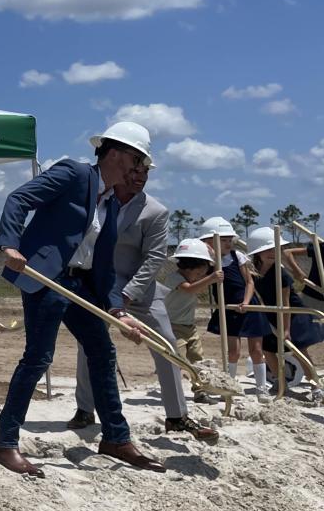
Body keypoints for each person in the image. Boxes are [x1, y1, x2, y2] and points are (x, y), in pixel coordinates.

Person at [0, 122, 161, 478]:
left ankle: (116, 438)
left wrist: (117, 311)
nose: (138, 168)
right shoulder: (74, 173)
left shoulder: (112, 203)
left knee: (103, 352)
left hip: (81, 285)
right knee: (38, 358)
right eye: (135, 158)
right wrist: (10, 244)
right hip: (47, 279)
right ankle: (5, 444)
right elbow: (19, 199)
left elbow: (103, 266)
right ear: (113, 153)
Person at [69, 166, 217, 443]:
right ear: (119, 170)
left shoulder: (155, 211)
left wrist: (126, 296)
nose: (138, 178)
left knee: (167, 344)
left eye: (144, 175)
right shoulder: (98, 200)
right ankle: (85, 409)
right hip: (97, 285)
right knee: (88, 345)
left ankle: (176, 416)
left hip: (140, 291)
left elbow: (154, 259)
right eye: (133, 172)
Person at [248, 226, 324, 388]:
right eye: (267, 250)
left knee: (298, 349)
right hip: (270, 315)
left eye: (275, 249)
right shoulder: (252, 271)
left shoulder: (280, 273)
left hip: (292, 315)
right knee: (268, 349)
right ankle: (279, 381)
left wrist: (286, 329)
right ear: (257, 252)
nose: (271, 253)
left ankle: (315, 385)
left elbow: (285, 303)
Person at [202, 218, 269, 391]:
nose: (227, 244)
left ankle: (261, 388)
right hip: (229, 308)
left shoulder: (237, 256)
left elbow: (249, 282)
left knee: (256, 349)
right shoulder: (207, 261)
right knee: (234, 351)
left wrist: (246, 302)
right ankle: (229, 384)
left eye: (228, 240)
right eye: (222, 240)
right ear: (209, 242)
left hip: (247, 305)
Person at [160, 239, 223, 364]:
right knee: (175, 356)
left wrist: (213, 257)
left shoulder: (193, 279)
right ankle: (171, 375)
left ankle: (199, 379)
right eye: (199, 273)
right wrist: (211, 278)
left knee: (197, 355)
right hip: (173, 325)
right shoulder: (174, 278)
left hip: (190, 326)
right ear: (187, 268)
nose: (200, 276)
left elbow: (212, 272)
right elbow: (189, 290)